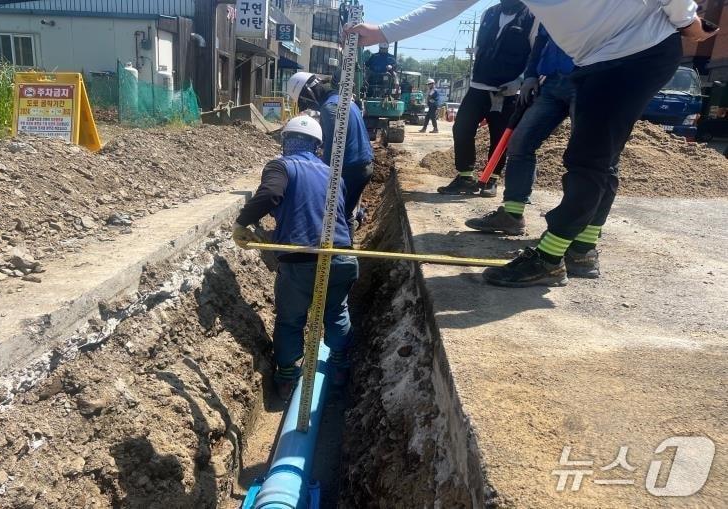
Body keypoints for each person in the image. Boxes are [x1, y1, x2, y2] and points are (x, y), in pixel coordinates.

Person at [347, 0, 714, 287]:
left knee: (590, 159)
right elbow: (448, 5)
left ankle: (550, 260)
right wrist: (382, 32)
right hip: (592, 59)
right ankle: (583, 250)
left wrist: (687, 21)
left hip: (639, 51)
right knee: (598, 156)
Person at [232, 115, 359, 399]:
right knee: (336, 310)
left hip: (300, 261)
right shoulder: (332, 172)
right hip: (342, 256)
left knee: (291, 319)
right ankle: (339, 365)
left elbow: (270, 195)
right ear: (318, 146)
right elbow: (345, 215)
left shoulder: (281, 166)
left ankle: (288, 376)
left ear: (285, 140)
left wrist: (242, 222)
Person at [464, 26, 599, 277]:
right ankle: (512, 215)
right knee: (520, 143)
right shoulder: (551, 8)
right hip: (552, 80)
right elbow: (541, 40)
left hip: (590, 79)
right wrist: (531, 74)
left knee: (590, 157)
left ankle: (583, 246)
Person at [435, 0, 538, 198]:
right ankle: (466, 176)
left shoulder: (532, 17)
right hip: (478, 86)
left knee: (499, 137)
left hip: (508, 91)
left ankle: (492, 180)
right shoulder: (489, 14)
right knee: (462, 128)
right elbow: (481, 47)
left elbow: (535, 54)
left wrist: (521, 80)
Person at [287, 71, 374, 239]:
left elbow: (335, 151)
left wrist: (318, 175)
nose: (310, 108)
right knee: (344, 213)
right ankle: (342, 252)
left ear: (309, 93)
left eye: (306, 103)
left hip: (350, 169)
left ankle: (337, 255)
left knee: (334, 215)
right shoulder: (343, 100)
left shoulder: (330, 108)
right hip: (362, 165)